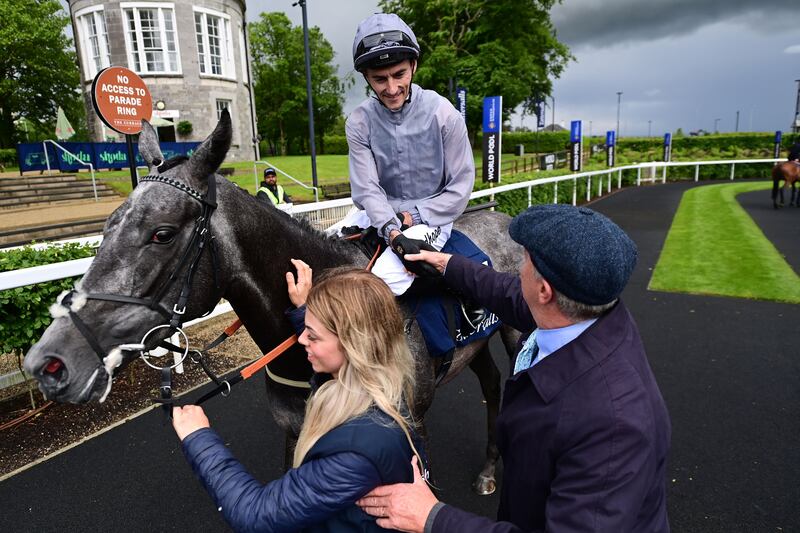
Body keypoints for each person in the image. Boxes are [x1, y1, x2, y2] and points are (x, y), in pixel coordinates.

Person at [357, 204, 672, 533]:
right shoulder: (581, 314)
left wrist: (433, 517)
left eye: (523, 261)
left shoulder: (614, 429)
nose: (518, 268)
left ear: (544, 291)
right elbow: (507, 294)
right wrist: (445, 262)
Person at [172, 262, 426, 532]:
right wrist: (306, 311)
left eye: (313, 336)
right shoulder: (380, 373)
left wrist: (198, 437)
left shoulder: (354, 453)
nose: (302, 339)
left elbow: (256, 515)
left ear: (354, 346)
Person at [333, 13, 475, 295]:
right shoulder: (359, 122)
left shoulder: (445, 114)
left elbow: (459, 189)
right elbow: (367, 189)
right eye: (379, 79)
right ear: (366, 77)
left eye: (399, 74)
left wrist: (413, 217)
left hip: (433, 215)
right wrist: (392, 230)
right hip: (379, 212)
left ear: (413, 65)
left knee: (381, 282)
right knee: (319, 251)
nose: (392, 88)